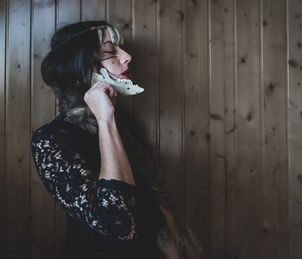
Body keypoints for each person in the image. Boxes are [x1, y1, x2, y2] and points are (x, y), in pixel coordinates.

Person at [31, 21, 201, 258]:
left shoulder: (126, 123)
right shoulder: (51, 140)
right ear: (80, 66)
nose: (127, 56)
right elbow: (117, 224)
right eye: (110, 52)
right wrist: (105, 119)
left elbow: (150, 202)